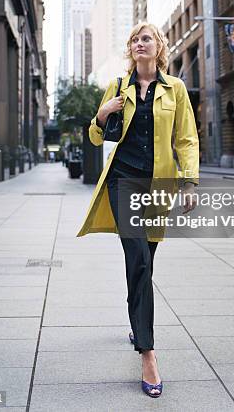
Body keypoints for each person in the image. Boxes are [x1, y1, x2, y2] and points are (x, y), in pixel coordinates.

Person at [76, 22, 199, 398]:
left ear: (159, 46)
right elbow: (96, 135)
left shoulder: (174, 89)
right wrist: (102, 114)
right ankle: (147, 352)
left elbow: (186, 138)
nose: (139, 43)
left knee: (144, 261)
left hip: (158, 186)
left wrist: (189, 180)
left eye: (145, 38)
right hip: (123, 182)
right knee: (139, 259)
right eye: (134, 39)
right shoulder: (117, 87)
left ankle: (136, 322)